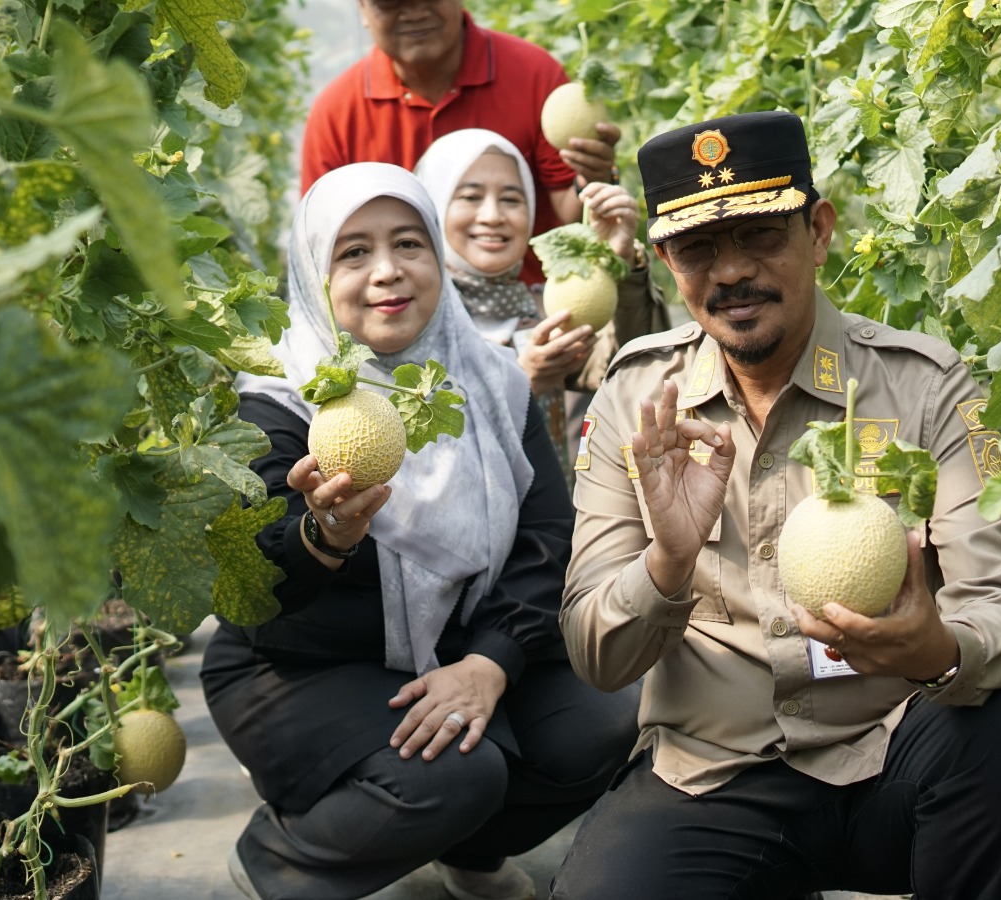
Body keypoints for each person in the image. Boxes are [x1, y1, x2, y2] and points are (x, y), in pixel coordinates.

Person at [552, 112, 1001, 899]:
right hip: (713, 775)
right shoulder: (641, 397)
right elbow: (596, 656)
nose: (732, 272)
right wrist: (667, 563)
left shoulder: (925, 387)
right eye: (700, 248)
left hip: (896, 754)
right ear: (667, 262)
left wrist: (936, 650)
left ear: (820, 231)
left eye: (764, 236)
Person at [207, 163, 639, 900]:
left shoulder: (491, 382)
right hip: (301, 669)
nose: (387, 272)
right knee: (456, 774)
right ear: (314, 272)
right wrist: (322, 541)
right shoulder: (275, 406)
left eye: (408, 243)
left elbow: (547, 541)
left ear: (438, 257)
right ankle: (281, 858)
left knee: (603, 721)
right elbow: (256, 599)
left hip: (460, 644)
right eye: (353, 252)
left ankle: (466, 852)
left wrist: (493, 663)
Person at [301, 0, 620, 282]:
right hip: (400, 326)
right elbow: (322, 245)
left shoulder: (535, 74)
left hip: (530, 313)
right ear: (363, 10)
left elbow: (567, 208)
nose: (413, 11)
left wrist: (592, 176)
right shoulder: (337, 112)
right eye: (391, 2)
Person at [414, 128, 668, 476]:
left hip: (558, 527)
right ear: (433, 206)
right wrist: (523, 383)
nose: (492, 216)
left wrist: (618, 265)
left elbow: (635, 370)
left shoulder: (546, 307)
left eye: (511, 198)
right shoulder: (413, 323)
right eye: (470, 197)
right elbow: (424, 457)